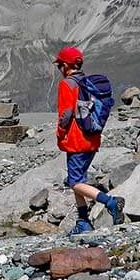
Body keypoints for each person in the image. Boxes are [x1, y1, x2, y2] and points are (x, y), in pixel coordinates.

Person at [55, 46, 124, 234]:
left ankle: (110, 202)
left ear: (66, 66)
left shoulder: (67, 84)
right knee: (78, 179)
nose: (59, 69)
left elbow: (66, 114)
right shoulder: (88, 84)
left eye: (59, 65)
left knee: (75, 182)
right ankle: (83, 221)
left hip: (76, 141)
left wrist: (60, 133)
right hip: (92, 138)